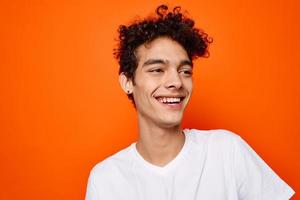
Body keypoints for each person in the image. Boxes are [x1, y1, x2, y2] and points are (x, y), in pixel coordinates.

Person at [85, 4, 295, 200]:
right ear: (128, 82)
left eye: (184, 71)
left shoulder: (227, 151)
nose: (176, 82)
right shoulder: (106, 179)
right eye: (157, 70)